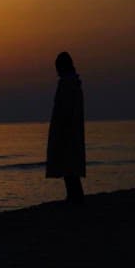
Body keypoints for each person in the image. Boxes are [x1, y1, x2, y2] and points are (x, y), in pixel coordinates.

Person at [46, 52, 86, 204]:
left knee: (68, 165)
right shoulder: (73, 83)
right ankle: (74, 196)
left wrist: (63, 129)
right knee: (69, 166)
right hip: (69, 129)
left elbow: (65, 110)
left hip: (66, 129)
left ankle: (74, 197)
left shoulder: (67, 84)